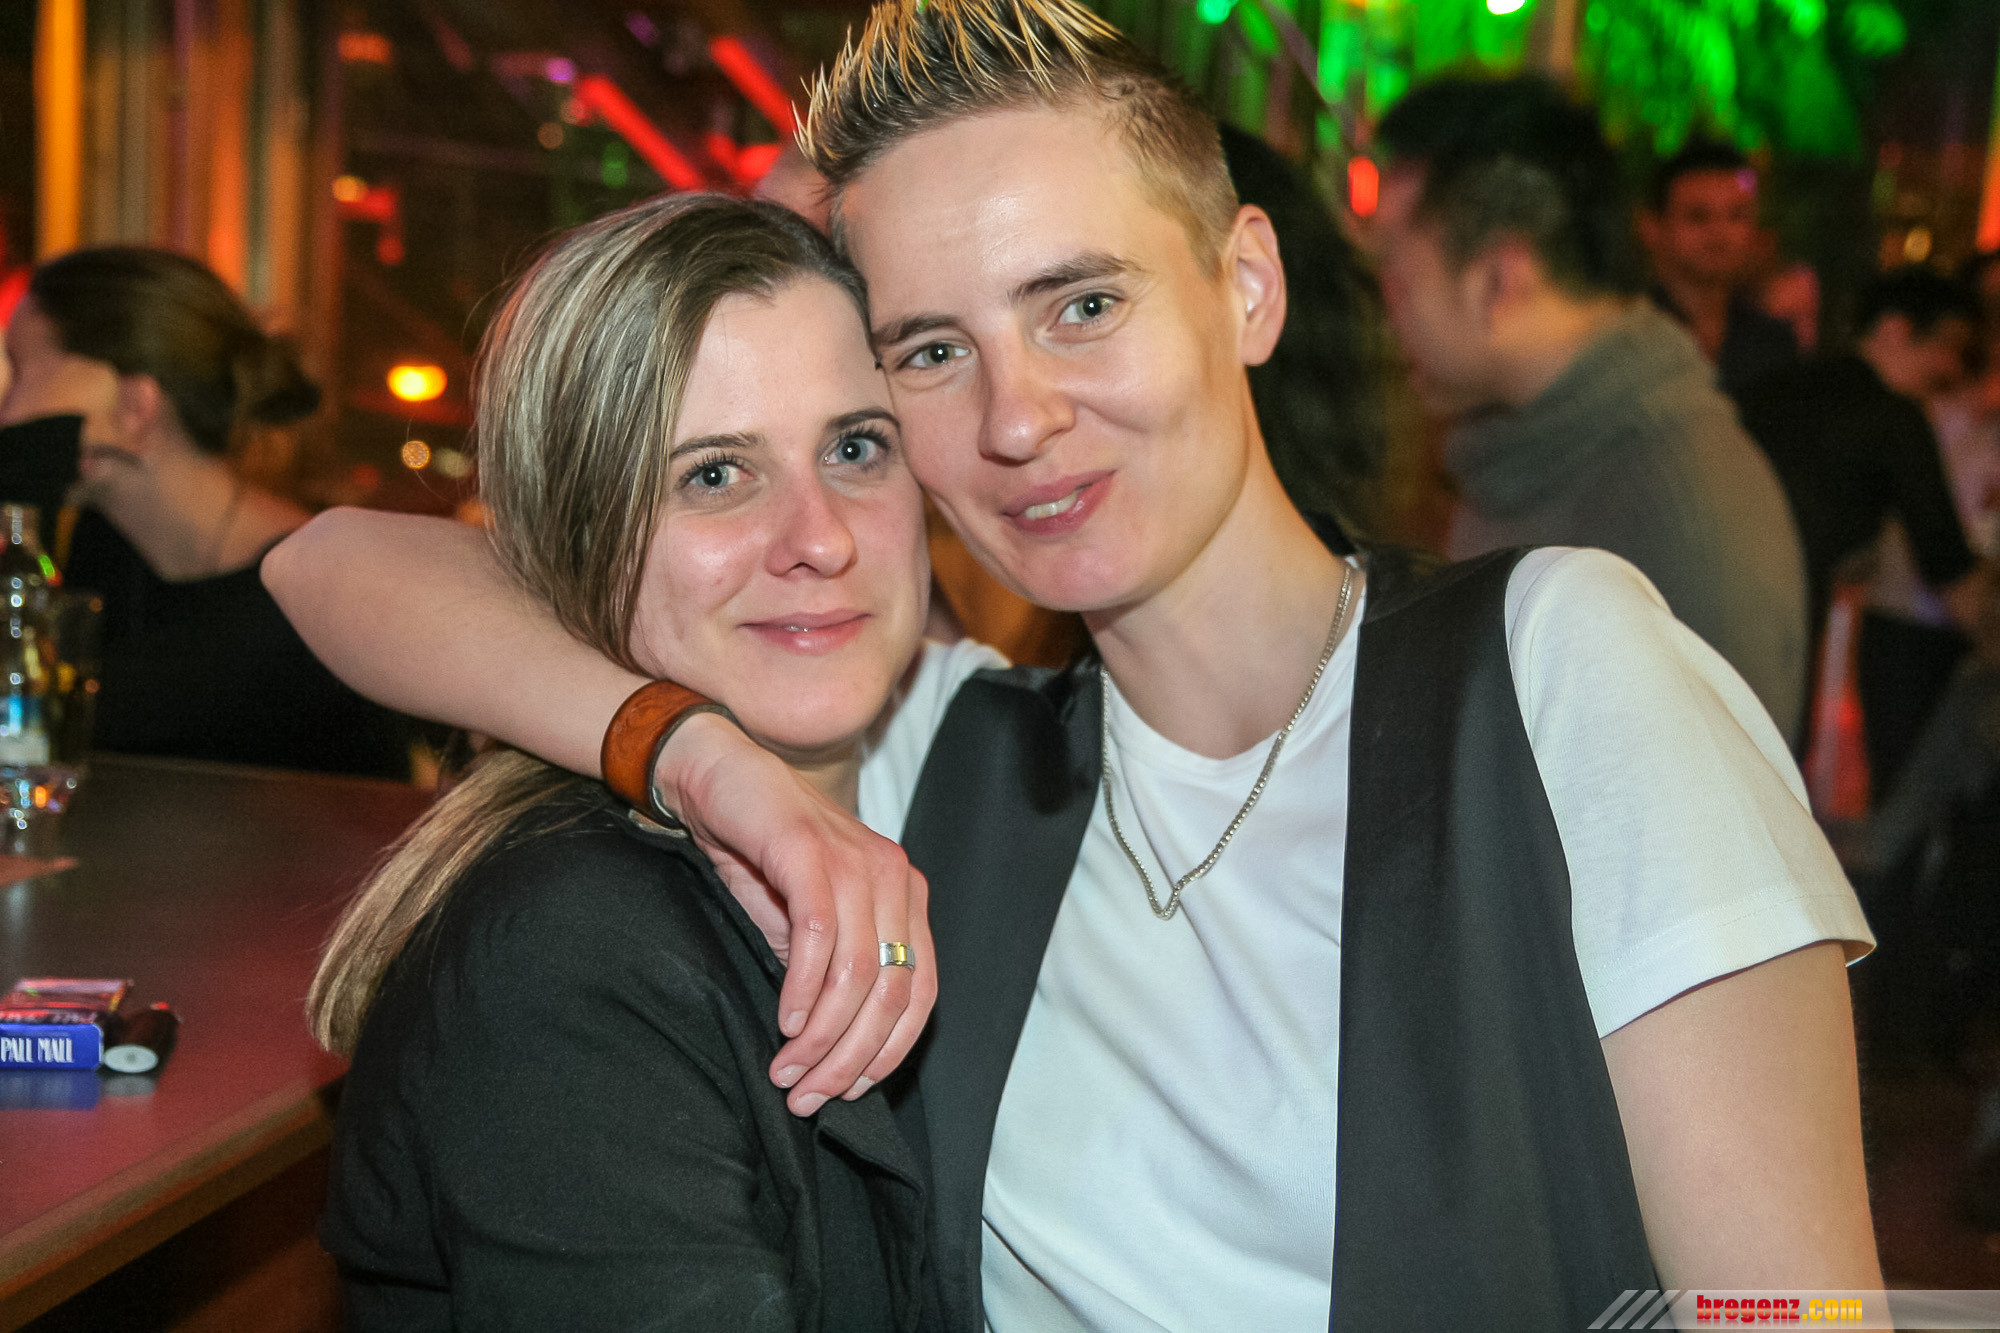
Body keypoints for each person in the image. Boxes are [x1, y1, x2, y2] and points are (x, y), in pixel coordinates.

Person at [268, 3, 1882, 1326]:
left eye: (1082, 303)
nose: (1018, 416)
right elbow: (334, 562)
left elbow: (1794, 1311)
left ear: (1246, 285)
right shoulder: (929, 749)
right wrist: (698, 757)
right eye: (932, 350)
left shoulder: (1556, 671)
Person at [314, 194, 953, 1328]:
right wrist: (698, 753)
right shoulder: (573, 952)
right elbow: (317, 557)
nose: (820, 537)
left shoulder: (973, 750)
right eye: (714, 475)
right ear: (580, 533)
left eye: (856, 448)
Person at [1371, 76, 1811, 745]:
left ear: (1498, 280)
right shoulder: (1522, 448)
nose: (1387, 311)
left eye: (1397, 277)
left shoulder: (1684, 516)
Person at [0, 247, 411, 777]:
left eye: (22, 373)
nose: (6, 409)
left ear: (133, 405)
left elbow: (76, 720)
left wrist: (21, 474)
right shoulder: (98, 547)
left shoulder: (309, 593)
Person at [1738, 266, 1982, 787]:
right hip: (1784, 617)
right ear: (1894, 329)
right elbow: (1948, 566)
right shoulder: (1896, 416)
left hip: (1712, 598)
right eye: (1946, 345)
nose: (1952, 366)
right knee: (1766, 770)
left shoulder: (1774, 386)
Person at [1641, 138, 1800, 401]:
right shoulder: (1629, 340)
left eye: (1736, 216)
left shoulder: (1773, 344)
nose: (1719, 234)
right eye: (1698, 217)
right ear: (1652, 228)